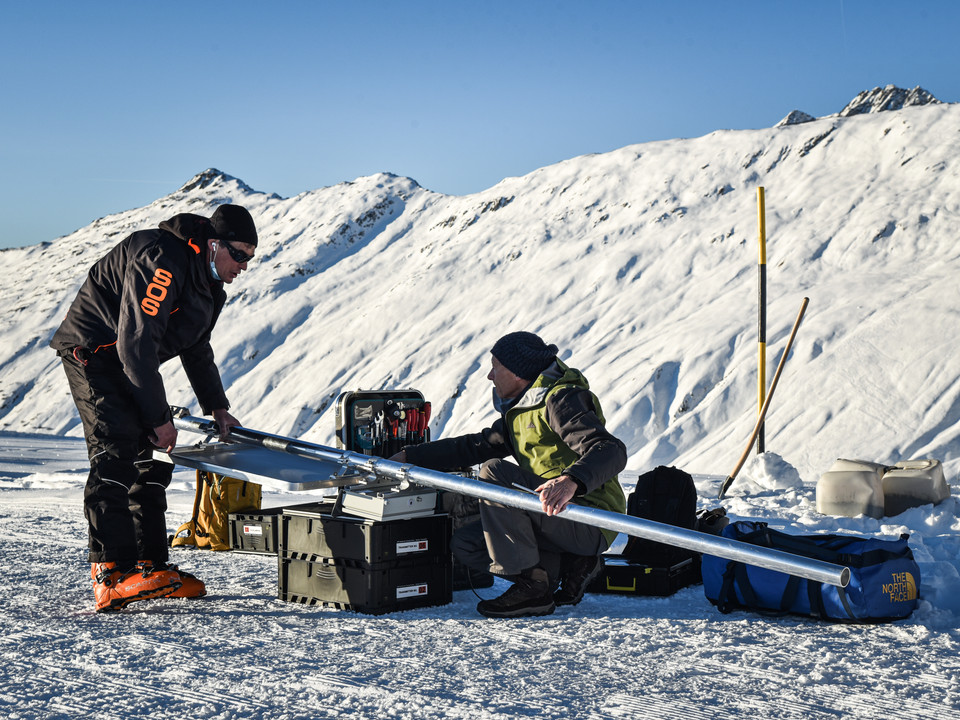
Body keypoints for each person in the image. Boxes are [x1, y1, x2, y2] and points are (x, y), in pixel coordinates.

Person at [50, 204, 258, 613]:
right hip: (93, 353)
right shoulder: (162, 259)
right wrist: (160, 418)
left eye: (251, 257)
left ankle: (150, 565)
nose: (244, 265)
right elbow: (136, 344)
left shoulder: (209, 287)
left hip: (127, 361)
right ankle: (111, 574)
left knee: (148, 461)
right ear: (214, 244)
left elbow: (196, 348)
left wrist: (217, 406)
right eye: (239, 254)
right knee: (115, 451)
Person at [395, 331, 627, 618]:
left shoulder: (560, 401)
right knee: (466, 544)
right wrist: (411, 456)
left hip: (589, 516)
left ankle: (533, 588)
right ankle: (559, 571)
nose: (490, 376)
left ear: (517, 372)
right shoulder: (522, 410)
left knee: (494, 472)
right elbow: (477, 445)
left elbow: (611, 450)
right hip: (551, 514)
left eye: (496, 367)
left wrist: (571, 481)